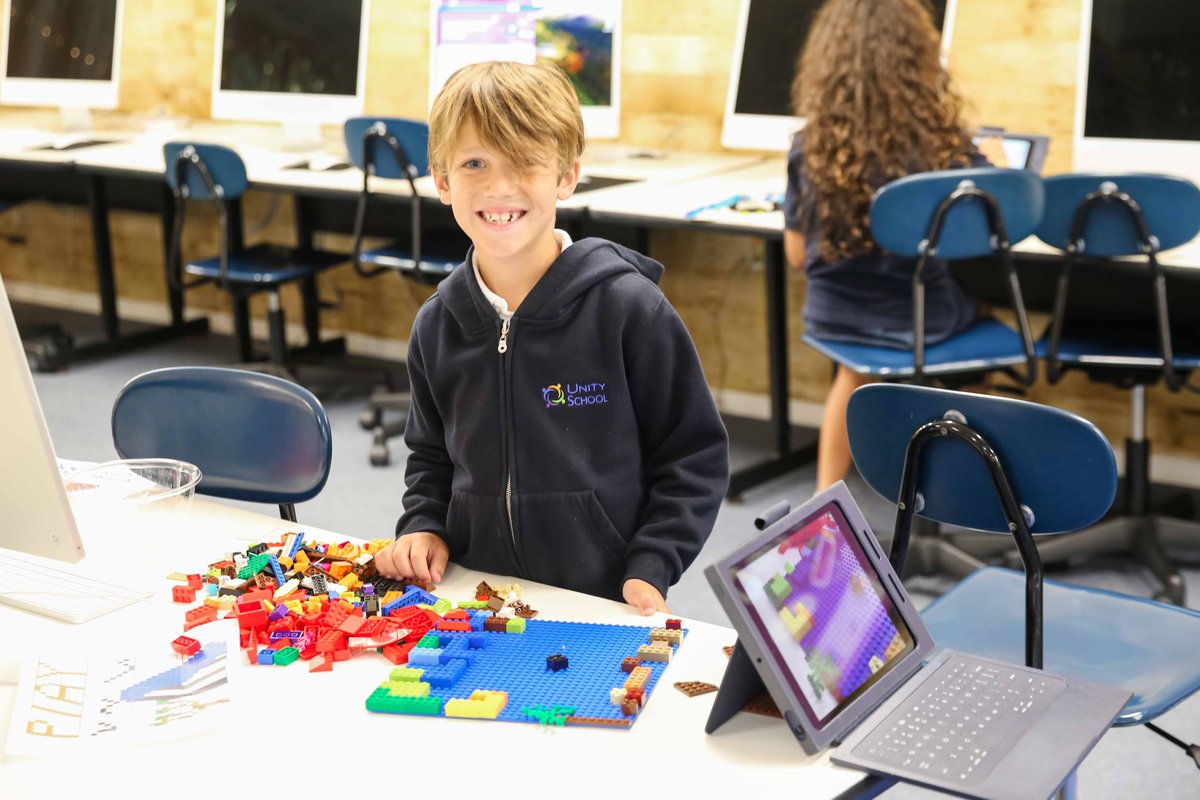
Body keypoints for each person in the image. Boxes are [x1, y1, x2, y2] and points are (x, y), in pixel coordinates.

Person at [372, 61, 730, 615]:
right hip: (478, 598)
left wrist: (654, 562)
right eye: (474, 163)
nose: (499, 186)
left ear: (567, 176)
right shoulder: (437, 323)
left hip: (602, 597)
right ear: (442, 181)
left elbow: (693, 455)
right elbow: (430, 456)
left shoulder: (628, 308)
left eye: (527, 162)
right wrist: (423, 526)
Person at [784, 0, 991, 491]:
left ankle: (824, 501)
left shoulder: (809, 146)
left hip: (836, 321)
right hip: (925, 321)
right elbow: (979, 241)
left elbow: (796, 256)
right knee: (983, 318)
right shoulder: (946, 146)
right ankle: (965, 491)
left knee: (853, 371)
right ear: (919, 59)